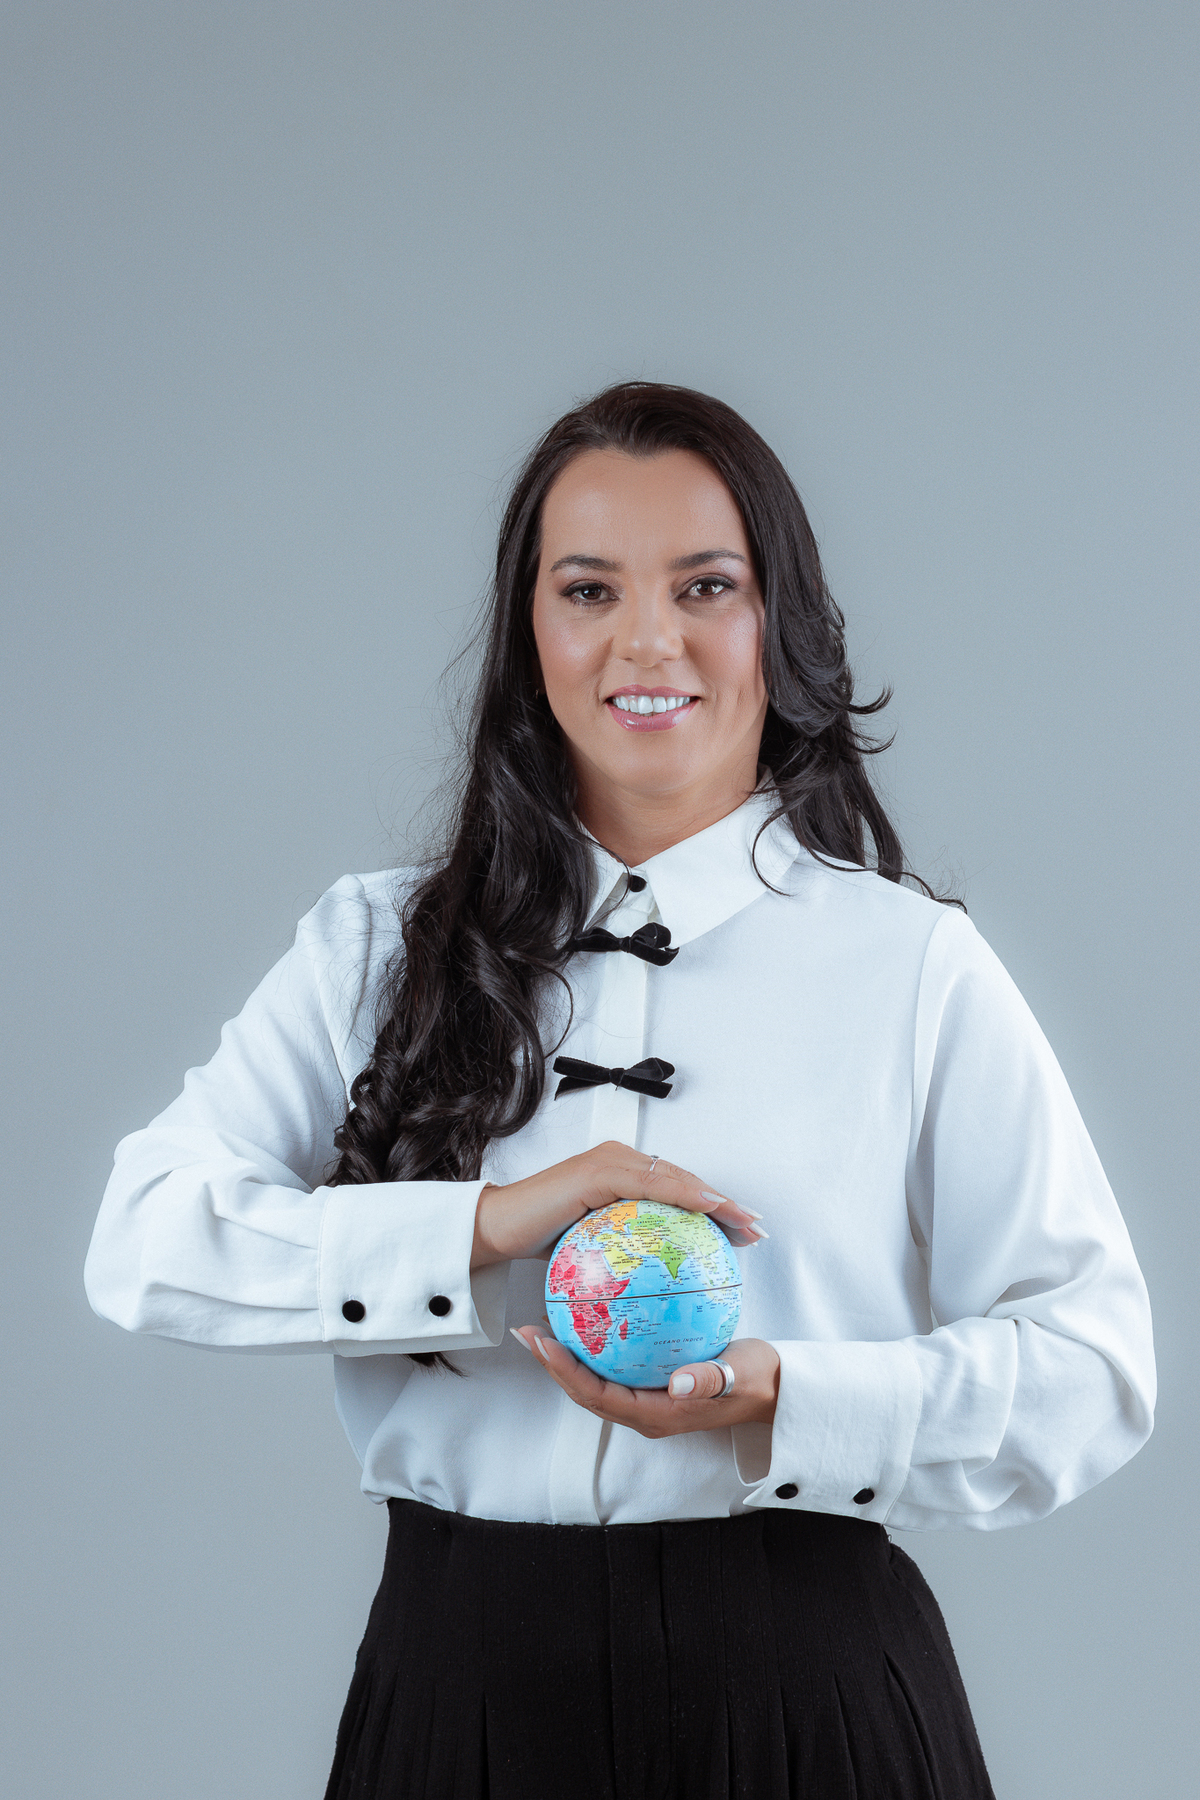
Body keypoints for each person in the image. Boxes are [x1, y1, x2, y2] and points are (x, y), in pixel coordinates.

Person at [85, 381, 1155, 1800]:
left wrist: (794, 1400)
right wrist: (481, 1228)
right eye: (588, 590)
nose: (647, 641)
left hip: (812, 1698)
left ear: (780, 623)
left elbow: (1095, 1371)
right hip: (457, 1699)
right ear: (529, 634)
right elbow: (142, 1239)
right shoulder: (377, 945)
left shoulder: (912, 966)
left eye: (706, 586)